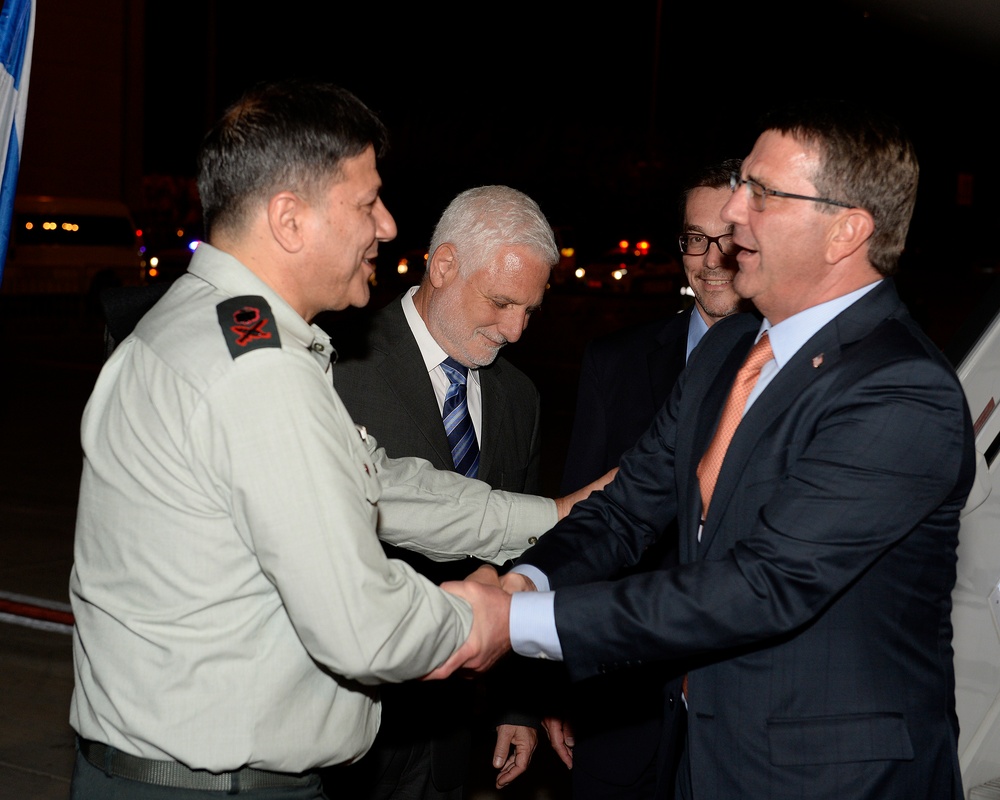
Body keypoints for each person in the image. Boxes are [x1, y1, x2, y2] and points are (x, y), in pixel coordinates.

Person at [67, 79, 606, 800]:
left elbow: (374, 483)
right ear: (289, 219)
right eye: (366, 203)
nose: (386, 226)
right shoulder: (256, 376)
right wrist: (490, 615)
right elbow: (365, 626)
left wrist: (556, 516)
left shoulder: (202, 326)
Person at [429, 99, 978, 800]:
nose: (734, 214)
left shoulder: (900, 388)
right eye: (743, 185)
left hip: (836, 777)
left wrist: (520, 622)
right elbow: (624, 509)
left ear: (847, 230)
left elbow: (761, 586)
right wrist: (522, 582)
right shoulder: (726, 352)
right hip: (703, 759)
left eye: (764, 194)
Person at [330, 184, 559, 798]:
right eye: (502, 302)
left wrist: (518, 705)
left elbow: (524, 557)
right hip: (353, 724)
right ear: (444, 265)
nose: (515, 330)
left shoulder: (520, 397)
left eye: (530, 310)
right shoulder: (334, 364)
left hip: (460, 727)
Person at [548, 159, 745, 799]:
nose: (711, 259)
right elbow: (588, 525)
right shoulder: (616, 362)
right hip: (619, 703)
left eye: (730, 240)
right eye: (695, 238)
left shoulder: (801, 375)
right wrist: (553, 683)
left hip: (740, 708)